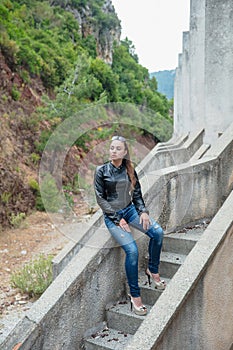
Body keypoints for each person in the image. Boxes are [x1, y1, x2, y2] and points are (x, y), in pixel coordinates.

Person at [94, 135, 165, 316]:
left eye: (118, 148)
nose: (113, 151)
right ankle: (135, 296)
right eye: (111, 148)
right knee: (132, 251)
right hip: (113, 217)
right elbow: (101, 199)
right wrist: (118, 219)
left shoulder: (129, 170)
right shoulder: (101, 171)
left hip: (131, 211)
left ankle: (152, 269)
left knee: (157, 232)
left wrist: (142, 211)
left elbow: (137, 194)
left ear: (125, 152)